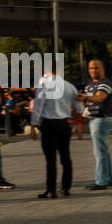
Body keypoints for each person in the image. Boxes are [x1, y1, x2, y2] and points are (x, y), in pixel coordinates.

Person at [31, 70, 77, 198]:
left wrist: (34, 125)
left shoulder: (44, 86)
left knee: (51, 160)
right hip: (64, 124)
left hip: (49, 124)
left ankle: (51, 189)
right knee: (66, 157)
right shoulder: (69, 86)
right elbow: (79, 107)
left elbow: (38, 107)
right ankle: (66, 188)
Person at [79, 59, 112, 190]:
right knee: (103, 151)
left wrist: (84, 97)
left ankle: (101, 181)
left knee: (99, 152)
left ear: (103, 69)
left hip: (101, 119)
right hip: (93, 119)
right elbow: (89, 102)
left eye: (96, 68)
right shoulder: (89, 85)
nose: (93, 71)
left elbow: (100, 97)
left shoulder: (105, 83)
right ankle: (108, 179)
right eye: (91, 68)